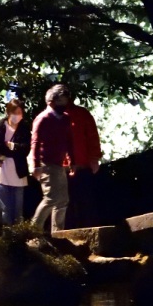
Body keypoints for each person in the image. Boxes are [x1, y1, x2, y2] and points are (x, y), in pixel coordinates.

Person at [30, 84, 73, 233]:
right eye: (61, 100)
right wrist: (36, 165)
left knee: (63, 200)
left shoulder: (65, 118)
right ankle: (32, 232)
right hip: (45, 162)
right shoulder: (43, 118)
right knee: (51, 198)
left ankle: (58, 233)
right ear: (51, 102)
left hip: (58, 163)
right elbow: (35, 142)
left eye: (65, 100)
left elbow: (69, 140)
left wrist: (71, 159)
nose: (64, 103)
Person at [61, 88, 102, 227]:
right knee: (68, 205)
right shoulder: (52, 117)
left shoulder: (82, 113)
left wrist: (94, 158)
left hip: (83, 165)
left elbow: (92, 137)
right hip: (63, 168)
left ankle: (92, 230)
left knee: (87, 202)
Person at [0, 97, 31, 226]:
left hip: (18, 174)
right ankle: (6, 239)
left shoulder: (24, 128)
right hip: (2, 173)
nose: (17, 116)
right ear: (8, 112)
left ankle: (19, 239)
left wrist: (12, 146)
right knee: (5, 211)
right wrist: (11, 151)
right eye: (15, 113)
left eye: (20, 113)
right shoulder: (0, 126)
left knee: (18, 212)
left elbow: (25, 149)